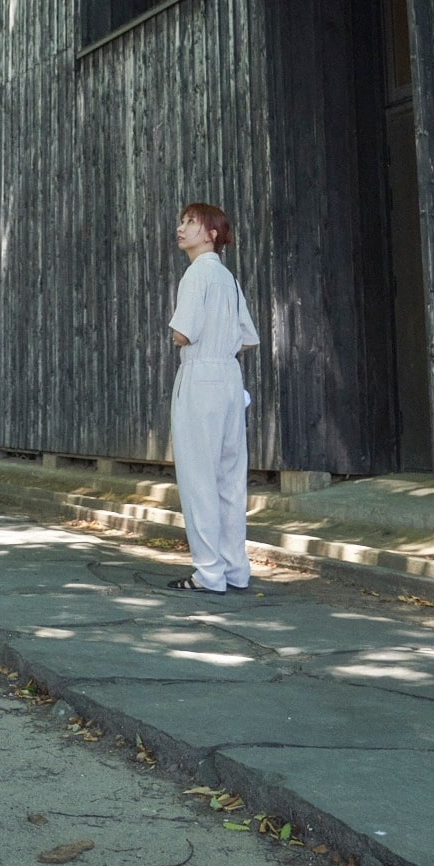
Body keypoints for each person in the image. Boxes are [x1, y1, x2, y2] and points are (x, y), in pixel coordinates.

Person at [165, 202, 259, 594]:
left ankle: (208, 573)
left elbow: (182, 334)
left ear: (212, 234)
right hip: (229, 376)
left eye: (191, 222)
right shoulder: (227, 278)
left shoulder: (196, 275)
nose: (181, 228)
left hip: (200, 374)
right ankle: (235, 569)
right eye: (182, 221)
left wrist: (180, 336)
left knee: (198, 478)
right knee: (229, 479)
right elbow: (248, 337)